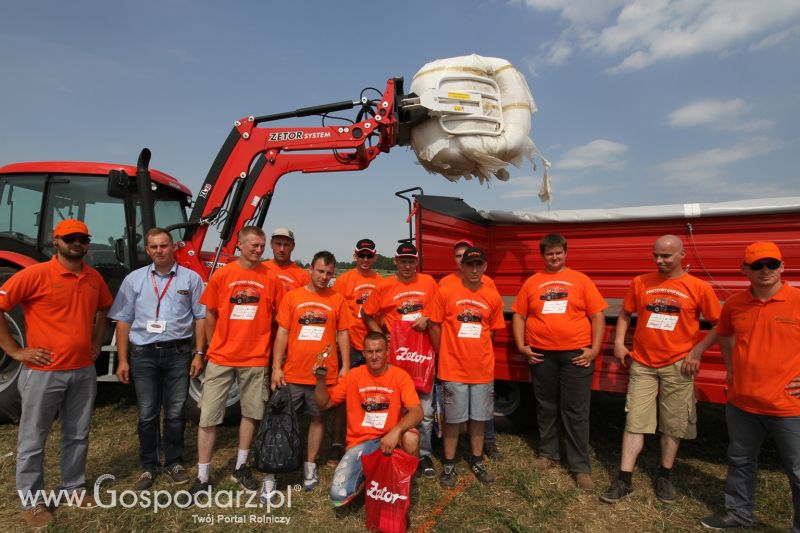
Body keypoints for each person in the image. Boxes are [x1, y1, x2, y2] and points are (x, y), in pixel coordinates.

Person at [0, 219, 113, 528]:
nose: (77, 243)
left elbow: (104, 309)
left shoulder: (93, 278)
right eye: (70, 238)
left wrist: (96, 343)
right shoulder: (34, 275)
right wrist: (15, 352)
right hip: (43, 373)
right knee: (33, 437)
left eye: (83, 238)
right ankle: (31, 500)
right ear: (57, 242)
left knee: (77, 434)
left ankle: (72, 489)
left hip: (82, 371)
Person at [601, 235, 721, 504]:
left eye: (666, 256)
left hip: (678, 364)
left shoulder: (698, 288)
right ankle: (624, 479)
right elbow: (625, 314)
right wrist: (619, 344)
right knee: (635, 422)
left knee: (673, 424)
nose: (659, 261)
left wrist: (697, 350)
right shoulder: (641, 282)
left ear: (682, 255)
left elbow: (719, 324)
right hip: (642, 363)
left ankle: (664, 475)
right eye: (656, 255)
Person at [700, 242, 800, 531]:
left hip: (788, 406)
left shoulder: (797, 300)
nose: (765, 270)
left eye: (771, 264)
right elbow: (725, 335)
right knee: (740, 460)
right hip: (742, 402)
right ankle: (739, 514)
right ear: (745, 270)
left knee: (797, 470)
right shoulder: (734, 303)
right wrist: (732, 369)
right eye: (757, 265)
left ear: (783, 267)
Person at [109, 227, 206, 490]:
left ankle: (173, 462)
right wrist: (123, 360)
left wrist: (198, 353)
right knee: (148, 414)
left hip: (178, 353)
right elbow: (123, 320)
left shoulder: (191, 279)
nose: (159, 251)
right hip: (144, 354)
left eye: (163, 246)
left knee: (175, 413)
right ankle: (149, 466)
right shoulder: (134, 280)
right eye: (153, 247)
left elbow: (200, 318)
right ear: (147, 250)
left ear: (173, 247)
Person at [191, 226, 284, 494]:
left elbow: (281, 315)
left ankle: (241, 467)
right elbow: (210, 314)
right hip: (222, 356)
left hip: (255, 357)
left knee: (251, 413)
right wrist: (213, 344)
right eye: (254, 245)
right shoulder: (223, 275)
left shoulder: (270, 277)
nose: (258, 250)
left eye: (262, 245)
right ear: (240, 245)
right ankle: (203, 476)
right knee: (209, 415)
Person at [512, 233, 607, 490]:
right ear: (542, 256)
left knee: (575, 410)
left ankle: (580, 467)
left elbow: (598, 316)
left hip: (575, 355)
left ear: (566, 253)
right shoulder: (533, 282)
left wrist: (594, 349)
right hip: (541, 354)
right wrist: (522, 346)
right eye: (549, 253)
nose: (554, 257)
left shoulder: (581, 280)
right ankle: (548, 454)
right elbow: (519, 316)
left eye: (558, 253)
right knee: (546, 405)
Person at [270, 250, 353, 499]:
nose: (324, 277)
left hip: (323, 376)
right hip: (293, 373)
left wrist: (346, 366)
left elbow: (343, 334)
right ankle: (272, 470)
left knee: (318, 420)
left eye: (329, 273)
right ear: (311, 269)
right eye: (320, 271)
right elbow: (282, 333)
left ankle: (309, 466)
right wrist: (276, 366)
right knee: (282, 421)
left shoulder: (337, 299)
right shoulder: (293, 297)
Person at [314, 331, 423, 506]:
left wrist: (395, 431)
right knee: (338, 496)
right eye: (370, 352)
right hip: (361, 443)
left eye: (378, 351)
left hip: (391, 440)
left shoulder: (400, 376)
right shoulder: (353, 376)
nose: (374, 356)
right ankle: (370, 478)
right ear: (363, 353)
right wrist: (320, 381)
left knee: (411, 438)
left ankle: (405, 483)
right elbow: (324, 404)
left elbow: (417, 412)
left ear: (387, 351)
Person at [429, 247, 505, 487]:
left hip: (482, 370)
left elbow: (491, 331)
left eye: (478, 265)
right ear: (462, 267)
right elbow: (434, 325)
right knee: (453, 419)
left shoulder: (492, 296)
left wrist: (478, 353)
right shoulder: (446, 290)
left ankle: (476, 460)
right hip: (453, 369)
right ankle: (449, 464)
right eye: (469, 264)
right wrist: (445, 352)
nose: (474, 269)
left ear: (484, 267)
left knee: (479, 418)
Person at [362, 243, 439, 478]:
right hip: (397, 355)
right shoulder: (385, 286)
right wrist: (382, 337)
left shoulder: (428, 283)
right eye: (403, 261)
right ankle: (394, 447)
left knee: (424, 409)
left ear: (417, 262)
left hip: (422, 354)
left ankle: (423, 453)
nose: (407, 265)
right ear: (395, 262)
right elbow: (366, 312)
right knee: (395, 405)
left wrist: (427, 317)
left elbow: (439, 310)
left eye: (411, 261)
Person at [329, 238, 385, 464]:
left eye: (368, 256)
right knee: (344, 396)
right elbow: (334, 312)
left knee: (374, 394)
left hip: (375, 346)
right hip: (351, 346)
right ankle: (336, 443)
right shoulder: (343, 281)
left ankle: (371, 438)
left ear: (375, 257)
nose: (364, 260)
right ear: (354, 256)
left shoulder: (381, 281)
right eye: (360, 255)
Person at [262, 227, 311, 292]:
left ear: (293, 246)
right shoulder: (261, 269)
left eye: (286, 245)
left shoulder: (303, 276)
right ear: (271, 244)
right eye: (278, 244)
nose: (282, 249)